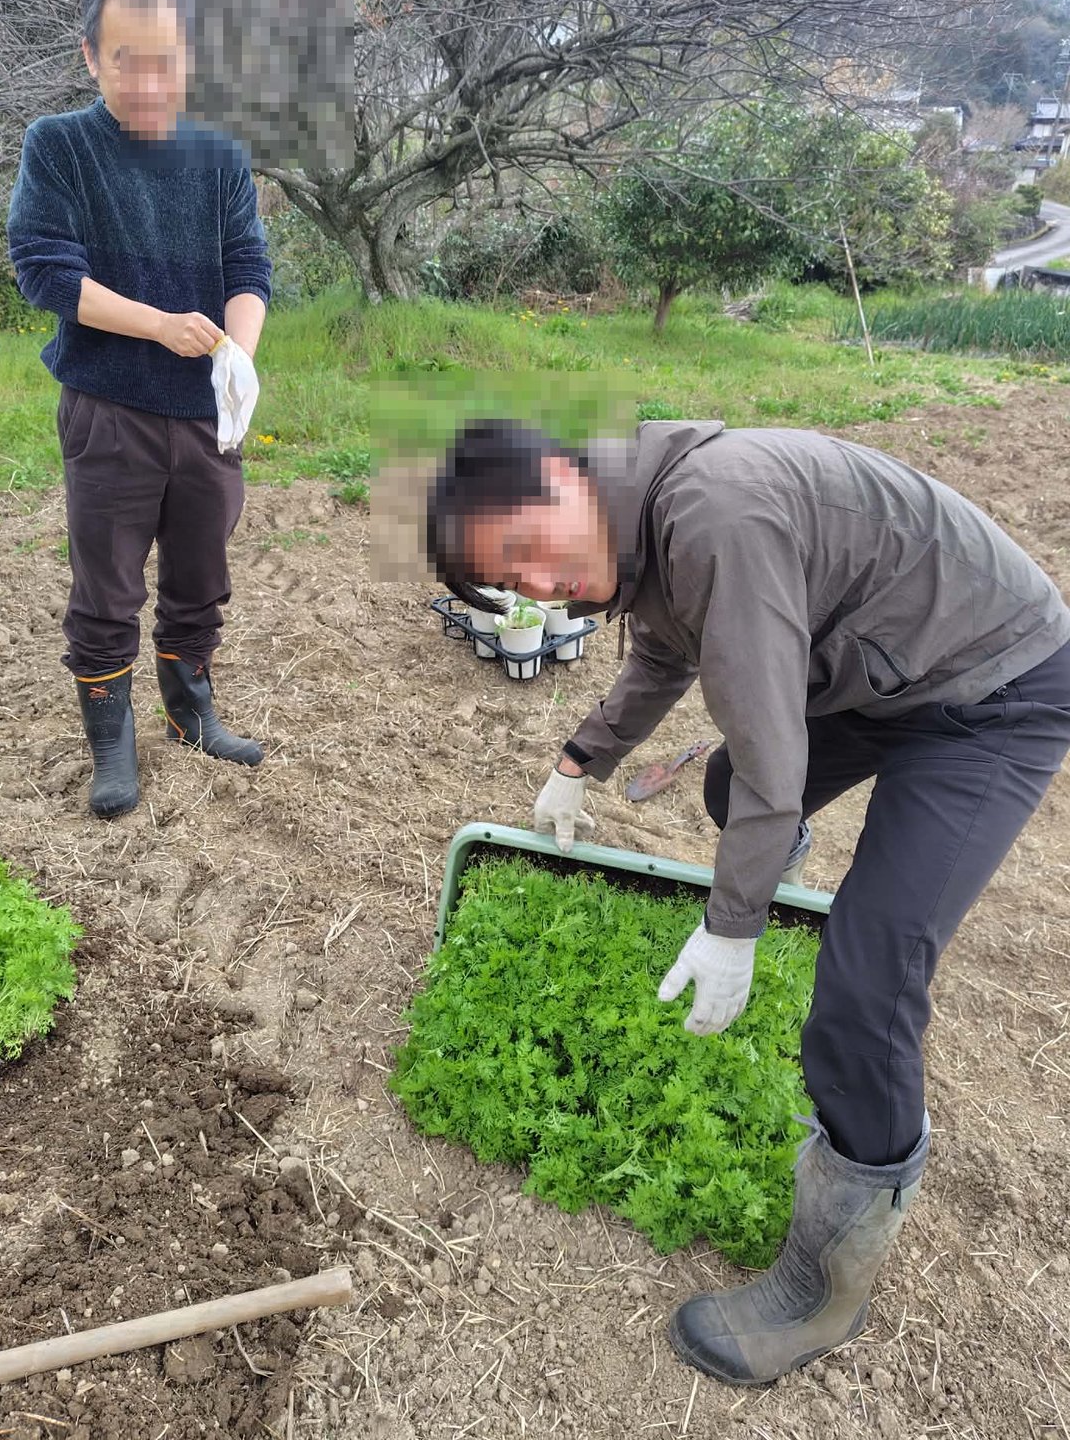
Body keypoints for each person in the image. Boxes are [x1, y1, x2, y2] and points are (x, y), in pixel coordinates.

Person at [426, 415, 1070, 1385]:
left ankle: (823, 1294)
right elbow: (662, 653)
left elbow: (776, 749)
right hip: (887, 665)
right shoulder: (635, 515)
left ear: (564, 476)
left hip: (994, 687)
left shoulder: (714, 512)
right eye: (513, 586)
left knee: (870, 981)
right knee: (732, 793)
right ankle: (772, 896)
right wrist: (580, 760)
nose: (544, 587)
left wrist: (731, 928)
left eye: (529, 551)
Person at [7, 0, 272, 819]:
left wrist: (240, 355)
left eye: (167, 61)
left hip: (204, 417)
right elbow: (45, 273)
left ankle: (191, 708)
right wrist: (160, 324)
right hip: (108, 410)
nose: (150, 81)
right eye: (128, 60)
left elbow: (249, 268)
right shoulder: (61, 146)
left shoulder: (219, 157)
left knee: (201, 577)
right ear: (91, 55)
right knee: (108, 586)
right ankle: (111, 744)